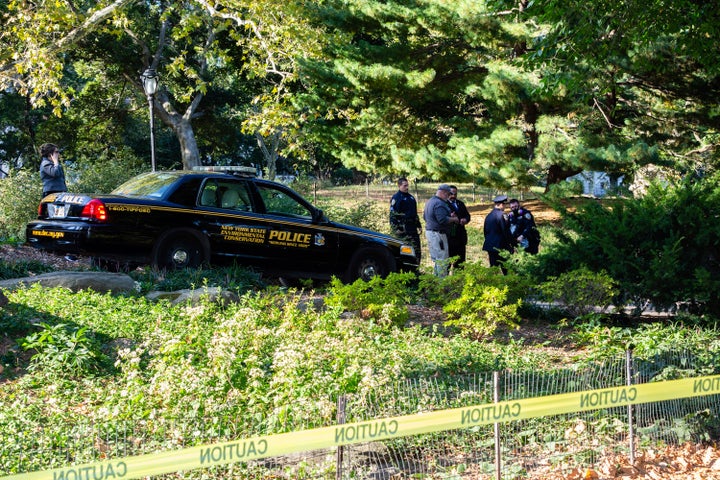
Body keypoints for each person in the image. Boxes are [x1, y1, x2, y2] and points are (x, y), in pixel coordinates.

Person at [423, 184, 460, 277]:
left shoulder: (430, 201)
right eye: (448, 194)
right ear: (444, 193)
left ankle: (435, 282)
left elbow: (425, 217)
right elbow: (442, 220)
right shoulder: (439, 203)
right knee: (442, 260)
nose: (449, 197)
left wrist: (448, 216)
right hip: (438, 235)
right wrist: (454, 219)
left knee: (437, 259)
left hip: (430, 232)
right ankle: (442, 285)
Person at [389, 177, 422, 263]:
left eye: (407, 185)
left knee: (416, 250)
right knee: (406, 251)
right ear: (399, 186)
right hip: (403, 229)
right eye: (405, 186)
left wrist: (419, 225)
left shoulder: (411, 198)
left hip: (412, 228)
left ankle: (417, 268)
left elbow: (414, 213)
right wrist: (395, 229)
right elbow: (393, 215)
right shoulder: (396, 198)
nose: (407, 187)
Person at [482, 195, 513, 274]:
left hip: (490, 245)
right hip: (501, 246)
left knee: (493, 268)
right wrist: (512, 243)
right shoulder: (502, 215)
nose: (505, 206)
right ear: (502, 205)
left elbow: (485, 231)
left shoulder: (489, 215)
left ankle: (493, 284)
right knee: (506, 268)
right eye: (505, 204)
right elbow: (505, 231)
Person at [447, 185, 471, 267]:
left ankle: (460, 277)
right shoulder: (444, 204)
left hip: (460, 236)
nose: (453, 196)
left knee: (461, 261)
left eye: (455, 194)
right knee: (449, 261)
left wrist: (465, 220)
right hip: (450, 237)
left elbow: (468, 216)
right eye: (451, 194)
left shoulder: (460, 203)